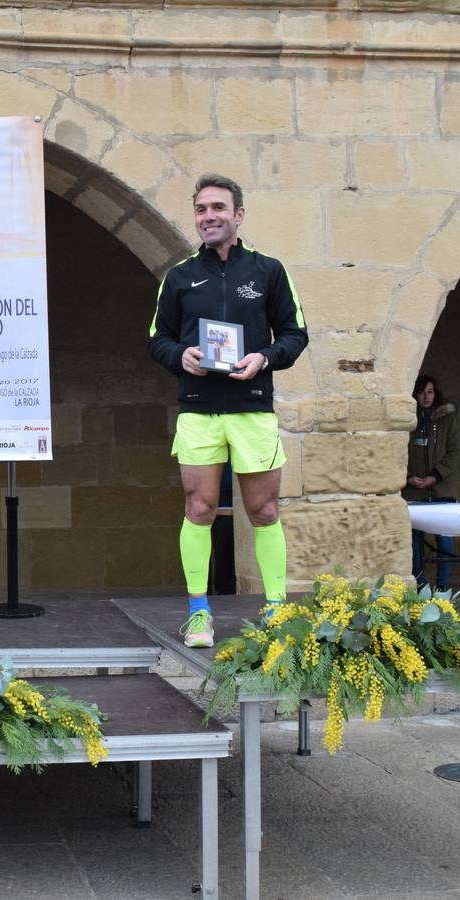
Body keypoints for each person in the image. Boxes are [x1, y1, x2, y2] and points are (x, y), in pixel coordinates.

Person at [147, 173, 309, 648]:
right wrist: (181, 357)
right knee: (198, 507)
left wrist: (265, 358)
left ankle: (277, 610)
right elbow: (157, 339)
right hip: (198, 410)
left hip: (252, 408)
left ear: (238, 214)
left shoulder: (268, 271)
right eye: (201, 209)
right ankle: (199, 613)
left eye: (218, 208)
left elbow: (296, 333)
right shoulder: (179, 277)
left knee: (263, 509)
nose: (209, 216)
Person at [402, 374, 460, 592]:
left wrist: (435, 476)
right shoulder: (408, 420)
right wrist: (408, 477)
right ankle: (421, 586)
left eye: (431, 392)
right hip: (414, 492)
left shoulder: (447, 419)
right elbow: (396, 451)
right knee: (415, 541)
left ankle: (443, 587)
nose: (427, 397)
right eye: (423, 392)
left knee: (444, 541)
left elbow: (454, 452)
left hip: (440, 489)